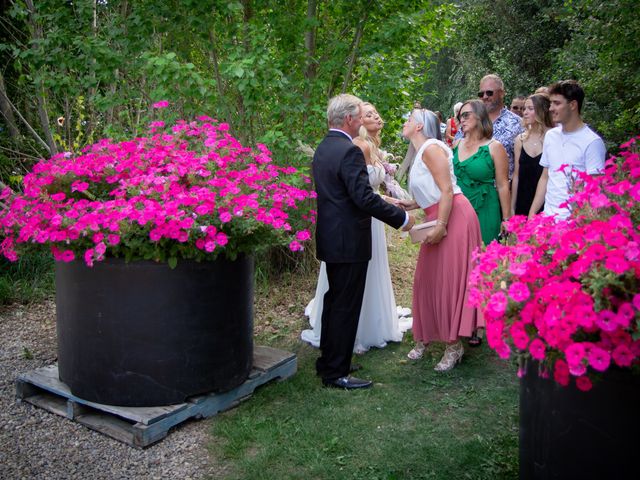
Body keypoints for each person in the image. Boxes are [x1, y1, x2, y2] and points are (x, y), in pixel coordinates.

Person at [312, 94, 414, 390]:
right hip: (349, 240)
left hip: (331, 238)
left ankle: (329, 360)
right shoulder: (348, 151)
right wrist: (401, 219)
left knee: (335, 302)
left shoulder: (324, 148)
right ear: (348, 120)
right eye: (358, 116)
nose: (361, 121)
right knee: (345, 305)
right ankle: (336, 373)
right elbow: (363, 197)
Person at [395, 109, 482, 371]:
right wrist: (411, 203)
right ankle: (426, 336)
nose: (405, 123)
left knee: (449, 280)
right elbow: (433, 190)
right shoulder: (421, 151)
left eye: (409, 119)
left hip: (453, 216)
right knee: (427, 279)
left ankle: (454, 345)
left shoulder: (432, 147)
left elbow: (447, 189)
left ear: (420, 126)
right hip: (438, 214)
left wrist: (442, 225)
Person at [528, 80, 606, 220]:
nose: (551, 108)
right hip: (547, 220)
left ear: (573, 105)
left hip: (574, 224)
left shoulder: (592, 142)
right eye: (551, 103)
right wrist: (532, 214)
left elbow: (596, 189)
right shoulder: (551, 136)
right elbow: (545, 177)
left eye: (557, 103)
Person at [452, 99, 511, 245]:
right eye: (460, 117)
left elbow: (503, 185)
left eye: (466, 115)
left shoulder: (494, 147)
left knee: (483, 256)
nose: (462, 120)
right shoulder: (456, 144)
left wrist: (507, 219)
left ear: (479, 115)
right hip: (458, 209)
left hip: (485, 208)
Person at [456, 74, 524, 177]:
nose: (485, 97)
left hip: (501, 188)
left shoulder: (518, 124)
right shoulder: (469, 121)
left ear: (501, 93)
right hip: (469, 187)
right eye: (481, 94)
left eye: (489, 93)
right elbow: (456, 149)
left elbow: (522, 165)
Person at [511, 94, 554, 216]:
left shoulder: (553, 138)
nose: (525, 112)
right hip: (522, 200)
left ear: (542, 111)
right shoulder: (520, 140)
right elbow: (516, 176)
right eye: (525, 108)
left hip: (546, 202)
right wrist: (512, 207)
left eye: (530, 108)